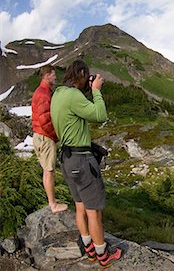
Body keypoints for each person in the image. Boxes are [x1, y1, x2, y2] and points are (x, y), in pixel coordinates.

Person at [50, 60, 122, 268]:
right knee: (94, 212)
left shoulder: (59, 94)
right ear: (81, 74)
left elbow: (77, 109)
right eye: (86, 76)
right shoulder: (74, 96)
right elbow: (100, 115)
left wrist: (87, 91)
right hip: (82, 160)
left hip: (66, 158)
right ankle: (103, 256)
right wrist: (97, 91)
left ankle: (89, 248)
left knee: (80, 206)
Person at [31, 64, 68, 214]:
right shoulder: (43, 94)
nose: (55, 77)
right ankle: (53, 204)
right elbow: (45, 119)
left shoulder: (42, 92)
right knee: (49, 170)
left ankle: (52, 201)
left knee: (47, 170)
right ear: (47, 75)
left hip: (40, 136)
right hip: (45, 137)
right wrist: (55, 135)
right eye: (53, 74)